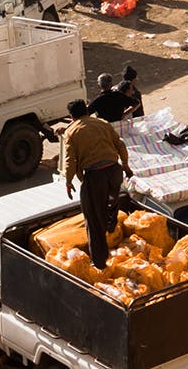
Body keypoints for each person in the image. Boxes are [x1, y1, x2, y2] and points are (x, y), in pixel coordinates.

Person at [60, 100, 130, 267]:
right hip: (114, 172)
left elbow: (70, 160)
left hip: (95, 177)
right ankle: (110, 222)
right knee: (110, 203)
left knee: (92, 219)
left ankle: (99, 262)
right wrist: (125, 164)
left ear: (71, 117)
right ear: (87, 110)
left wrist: (68, 181)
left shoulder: (72, 131)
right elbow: (120, 144)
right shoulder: (102, 123)